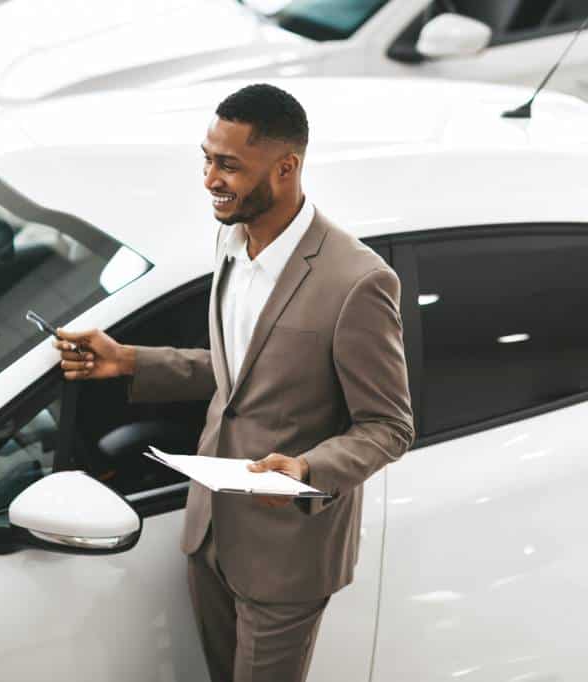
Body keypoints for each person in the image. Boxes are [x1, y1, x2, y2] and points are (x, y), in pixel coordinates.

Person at [54, 84, 414, 682]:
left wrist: (306, 471)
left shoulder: (357, 282)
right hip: (211, 530)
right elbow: (243, 373)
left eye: (228, 165)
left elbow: (389, 426)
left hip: (287, 552)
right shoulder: (231, 237)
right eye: (206, 158)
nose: (209, 179)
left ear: (286, 167)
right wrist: (130, 361)